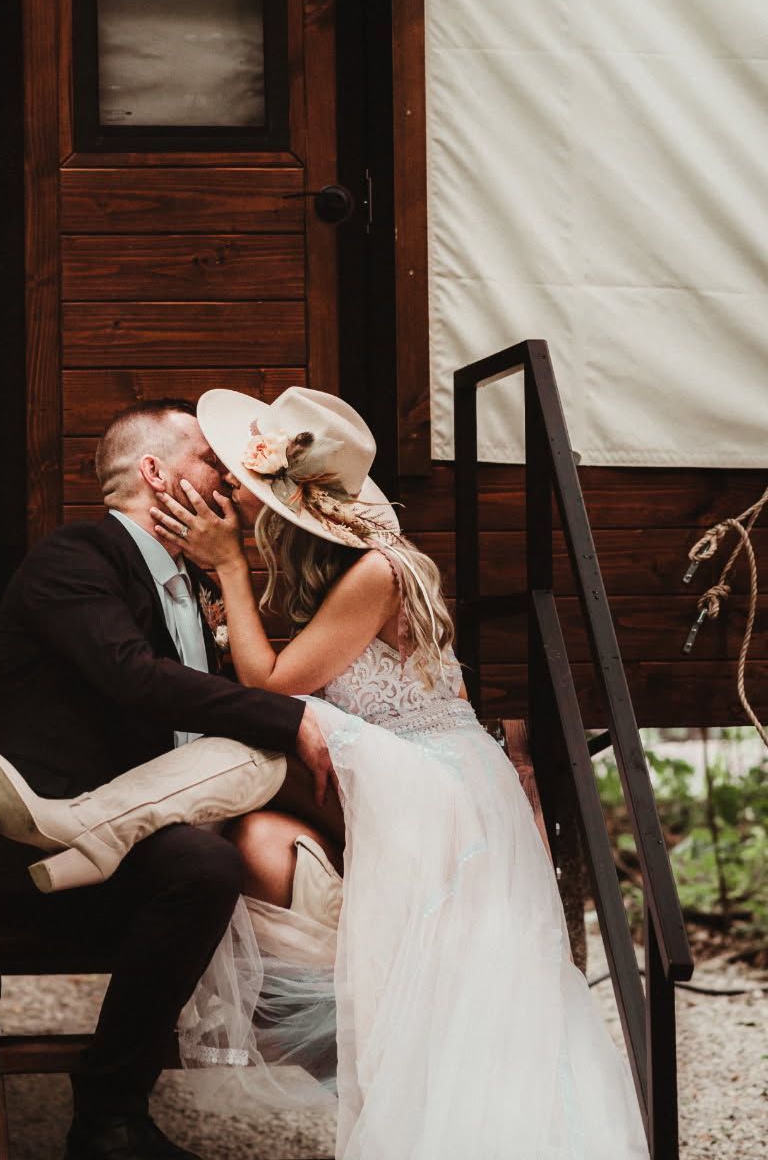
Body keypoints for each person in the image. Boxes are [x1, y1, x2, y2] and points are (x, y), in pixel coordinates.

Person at [146, 385, 651, 1160]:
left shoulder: (377, 572)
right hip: (427, 773)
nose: (240, 506)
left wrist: (231, 571)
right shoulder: (355, 570)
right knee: (436, 981)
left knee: (455, 978)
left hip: (436, 783)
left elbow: (276, 685)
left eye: (251, 496)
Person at [0, 398, 337, 1160]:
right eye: (210, 458)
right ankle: (109, 1114)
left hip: (173, 820)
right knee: (207, 862)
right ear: (155, 471)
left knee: (281, 830)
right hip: (55, 853)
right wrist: (290, 721)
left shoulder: (188, 579)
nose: (229, 473)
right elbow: (132, 678)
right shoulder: (74, 558)